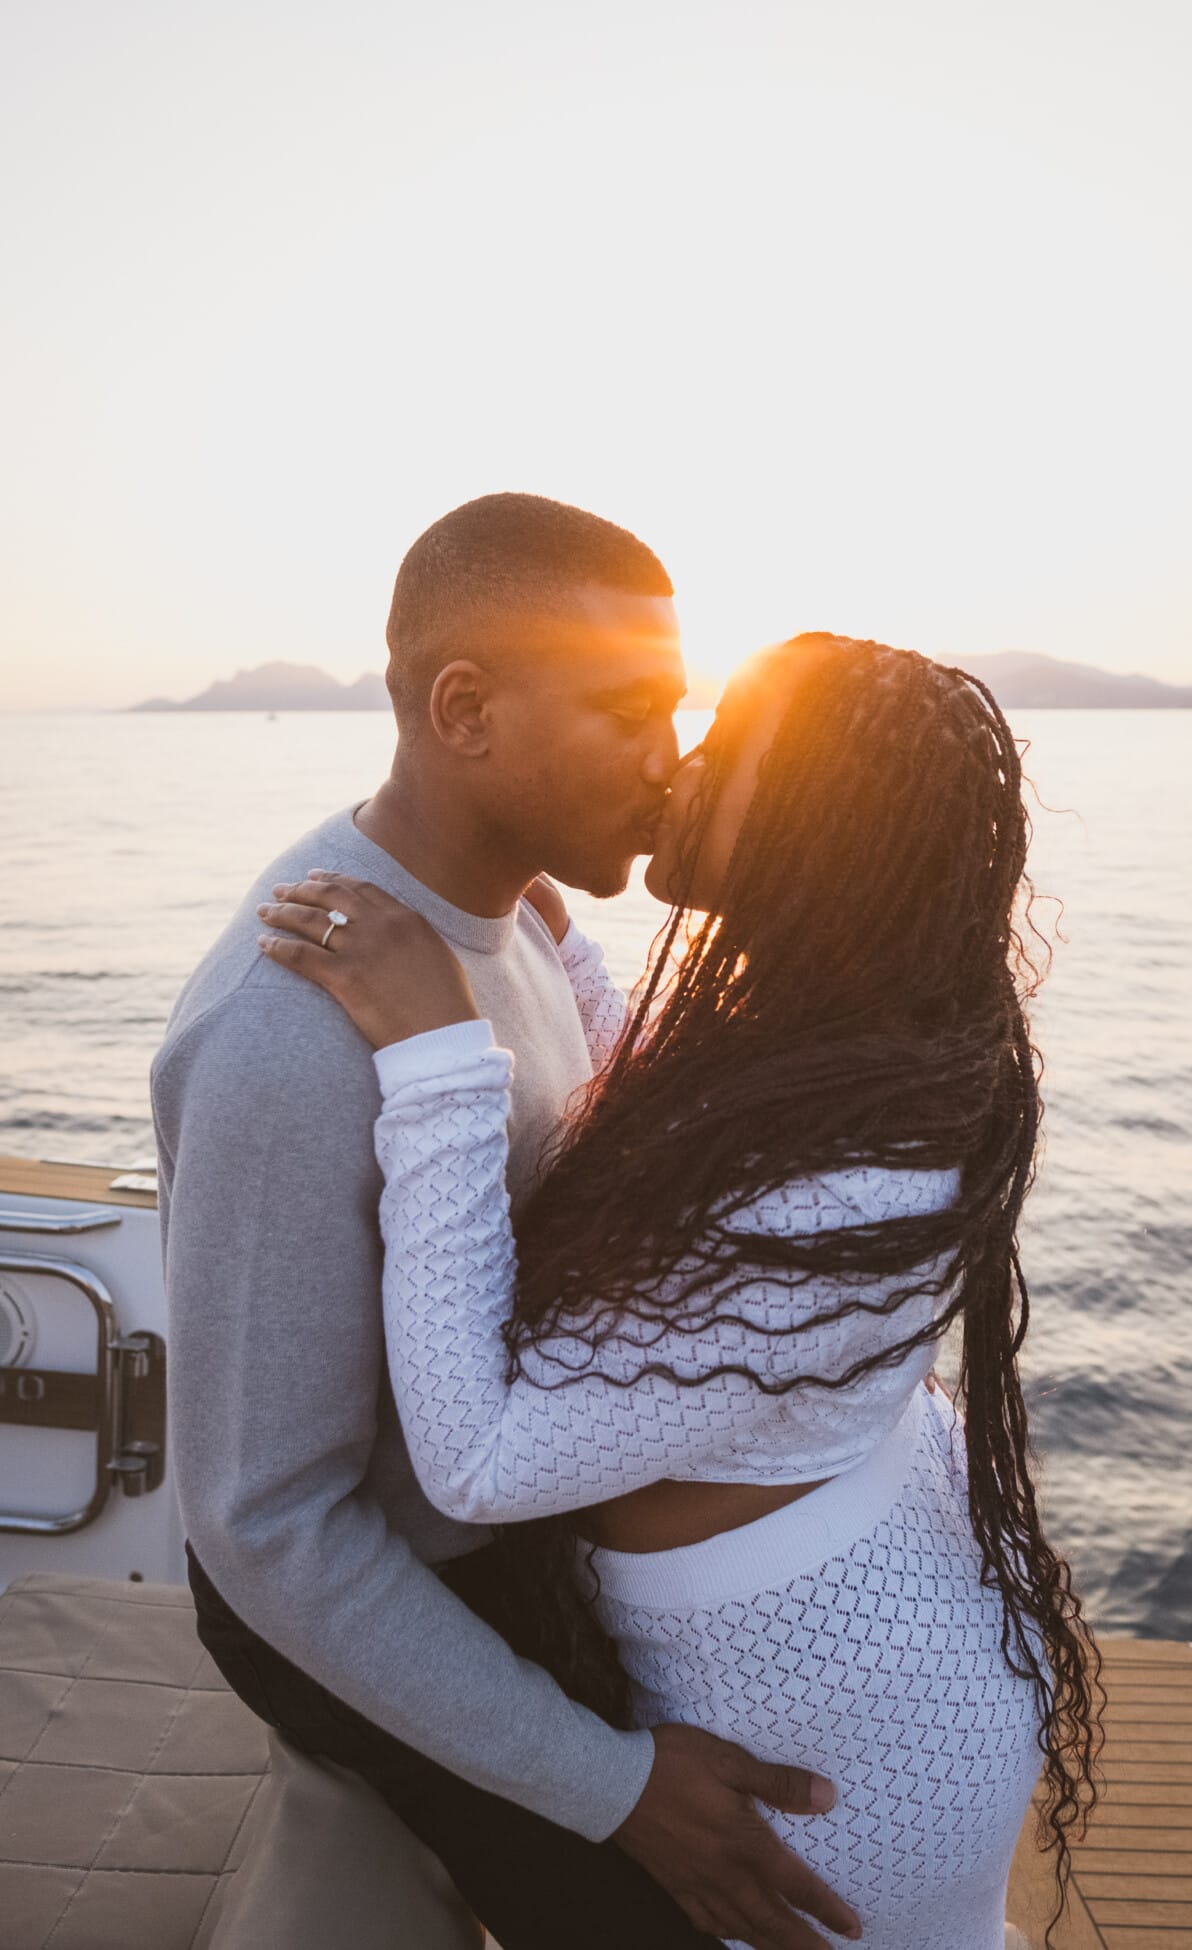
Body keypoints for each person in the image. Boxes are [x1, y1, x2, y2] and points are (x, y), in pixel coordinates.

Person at [258, 632, 1103, 1950]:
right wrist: (576, 968)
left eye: (726, 751)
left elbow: (480, 1458)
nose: (679, 766)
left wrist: (437, 1056)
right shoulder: (862, 1046)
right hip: (852, 1676)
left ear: (824, 830)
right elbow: (696, 1153)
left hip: (837, 1781)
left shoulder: (850, 1183)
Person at [153, 496, 859, 1950]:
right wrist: (612, 1786)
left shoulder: (510, 917)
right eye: (629, 716)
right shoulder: (289, 1040)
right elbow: (268, 1525)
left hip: (488, 1539)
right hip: (367, 1586)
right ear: (465, 710)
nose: (673, 764)